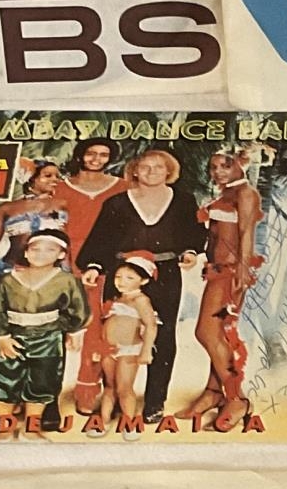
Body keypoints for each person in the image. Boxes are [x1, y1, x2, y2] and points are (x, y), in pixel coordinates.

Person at [79, 148, 202, 423]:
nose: (151, 172)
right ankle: (116, 394)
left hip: (165, 274)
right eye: (145, 166)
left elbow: (193, 234)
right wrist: (94, 266)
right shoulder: (117, 202)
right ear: (134, 170)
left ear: (169, 171)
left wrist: (190, 251)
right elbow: (100, 239)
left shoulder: (183, 200)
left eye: (159, 167)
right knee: (116, 333)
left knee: (163, 334)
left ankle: (155, 401)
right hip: (122, 272)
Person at [0, 232, 88, 437]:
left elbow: (77, 307)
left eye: (49, 250)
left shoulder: (67, 280)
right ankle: (4, 429)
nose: (41, 254)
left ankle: (31, 429)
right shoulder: (8, 280)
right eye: (35, 249)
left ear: (61, 254)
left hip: (48, 339)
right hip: (13, 337)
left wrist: (74, 331)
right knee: (5, 380)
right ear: (26, 253)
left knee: (42, 382)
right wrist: (2, 337)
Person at [188, 147, 264, 432]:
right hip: (216, 269)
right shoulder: (225, 195)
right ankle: (213, 392)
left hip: (230, 272)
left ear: (241, 165)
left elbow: (246, 233)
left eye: (225, 165)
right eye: (214, 167)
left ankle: (237, 398)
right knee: (218, 333)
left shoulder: (246, 193)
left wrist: (242, 271)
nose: (218, 171)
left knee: (206, 332)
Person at [100, 259, 159, 433]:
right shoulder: (117, 298)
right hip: (109, 348)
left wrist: (146, 351)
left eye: (129, 278)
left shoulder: (140, 300)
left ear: (144, 280)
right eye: (118, 277)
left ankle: (129, 422)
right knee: (109, 386)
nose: (121, 281)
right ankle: (103, 421)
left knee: (124, 388)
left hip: (128, 350)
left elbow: (151, 325)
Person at [58, 139, 129, 262]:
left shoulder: (124, 187)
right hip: (68, 255)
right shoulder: (59, 188)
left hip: (111, 253)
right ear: (80, 155)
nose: (96, 159)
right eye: (90, 154)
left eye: (103, 155)